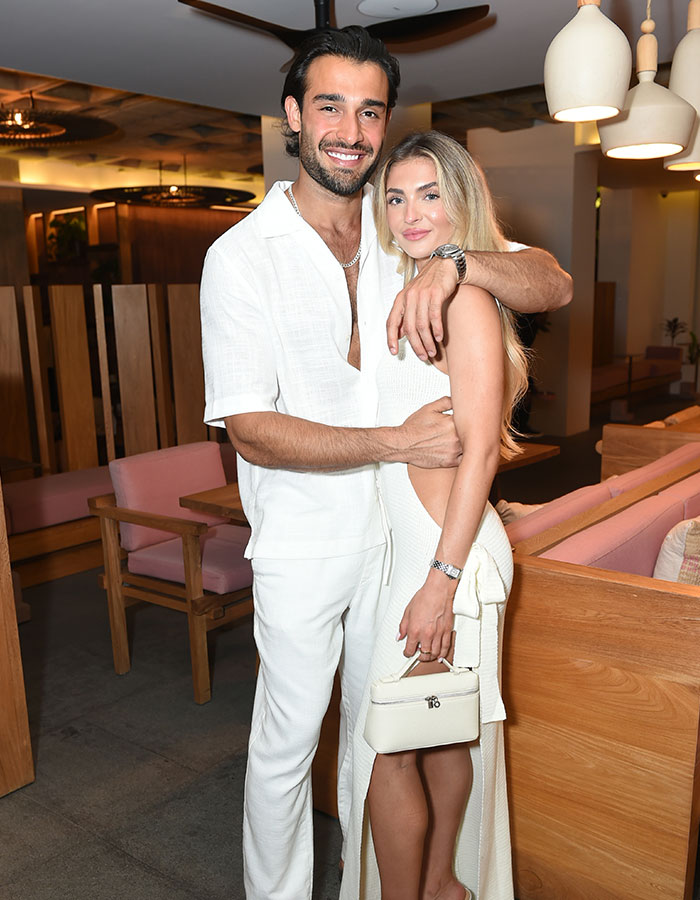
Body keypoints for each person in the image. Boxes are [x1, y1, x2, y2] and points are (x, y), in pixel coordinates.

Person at [199, 26, 572, 900]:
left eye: (370, 111)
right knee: (287, 748)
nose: (351, 130)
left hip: (400, 543)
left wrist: (453, 262)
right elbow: (251, 428)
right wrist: (399, 444)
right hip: (301, 540)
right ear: (293, 116)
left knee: (383, 739)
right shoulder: (241, 258)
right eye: (329, 105)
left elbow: (550, 281)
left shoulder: (399, 217)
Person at [340, 131, 527, 900]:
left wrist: (440, 583)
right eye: (395, 195)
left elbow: (480, 452)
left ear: (461, 202)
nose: (411, 212)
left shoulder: (469, 296)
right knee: (437, 723)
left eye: (429, 194)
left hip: (447, 558)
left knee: (392, 744)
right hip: (420, 546)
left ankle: (409, 893)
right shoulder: (404, 286)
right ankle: (445, 881)